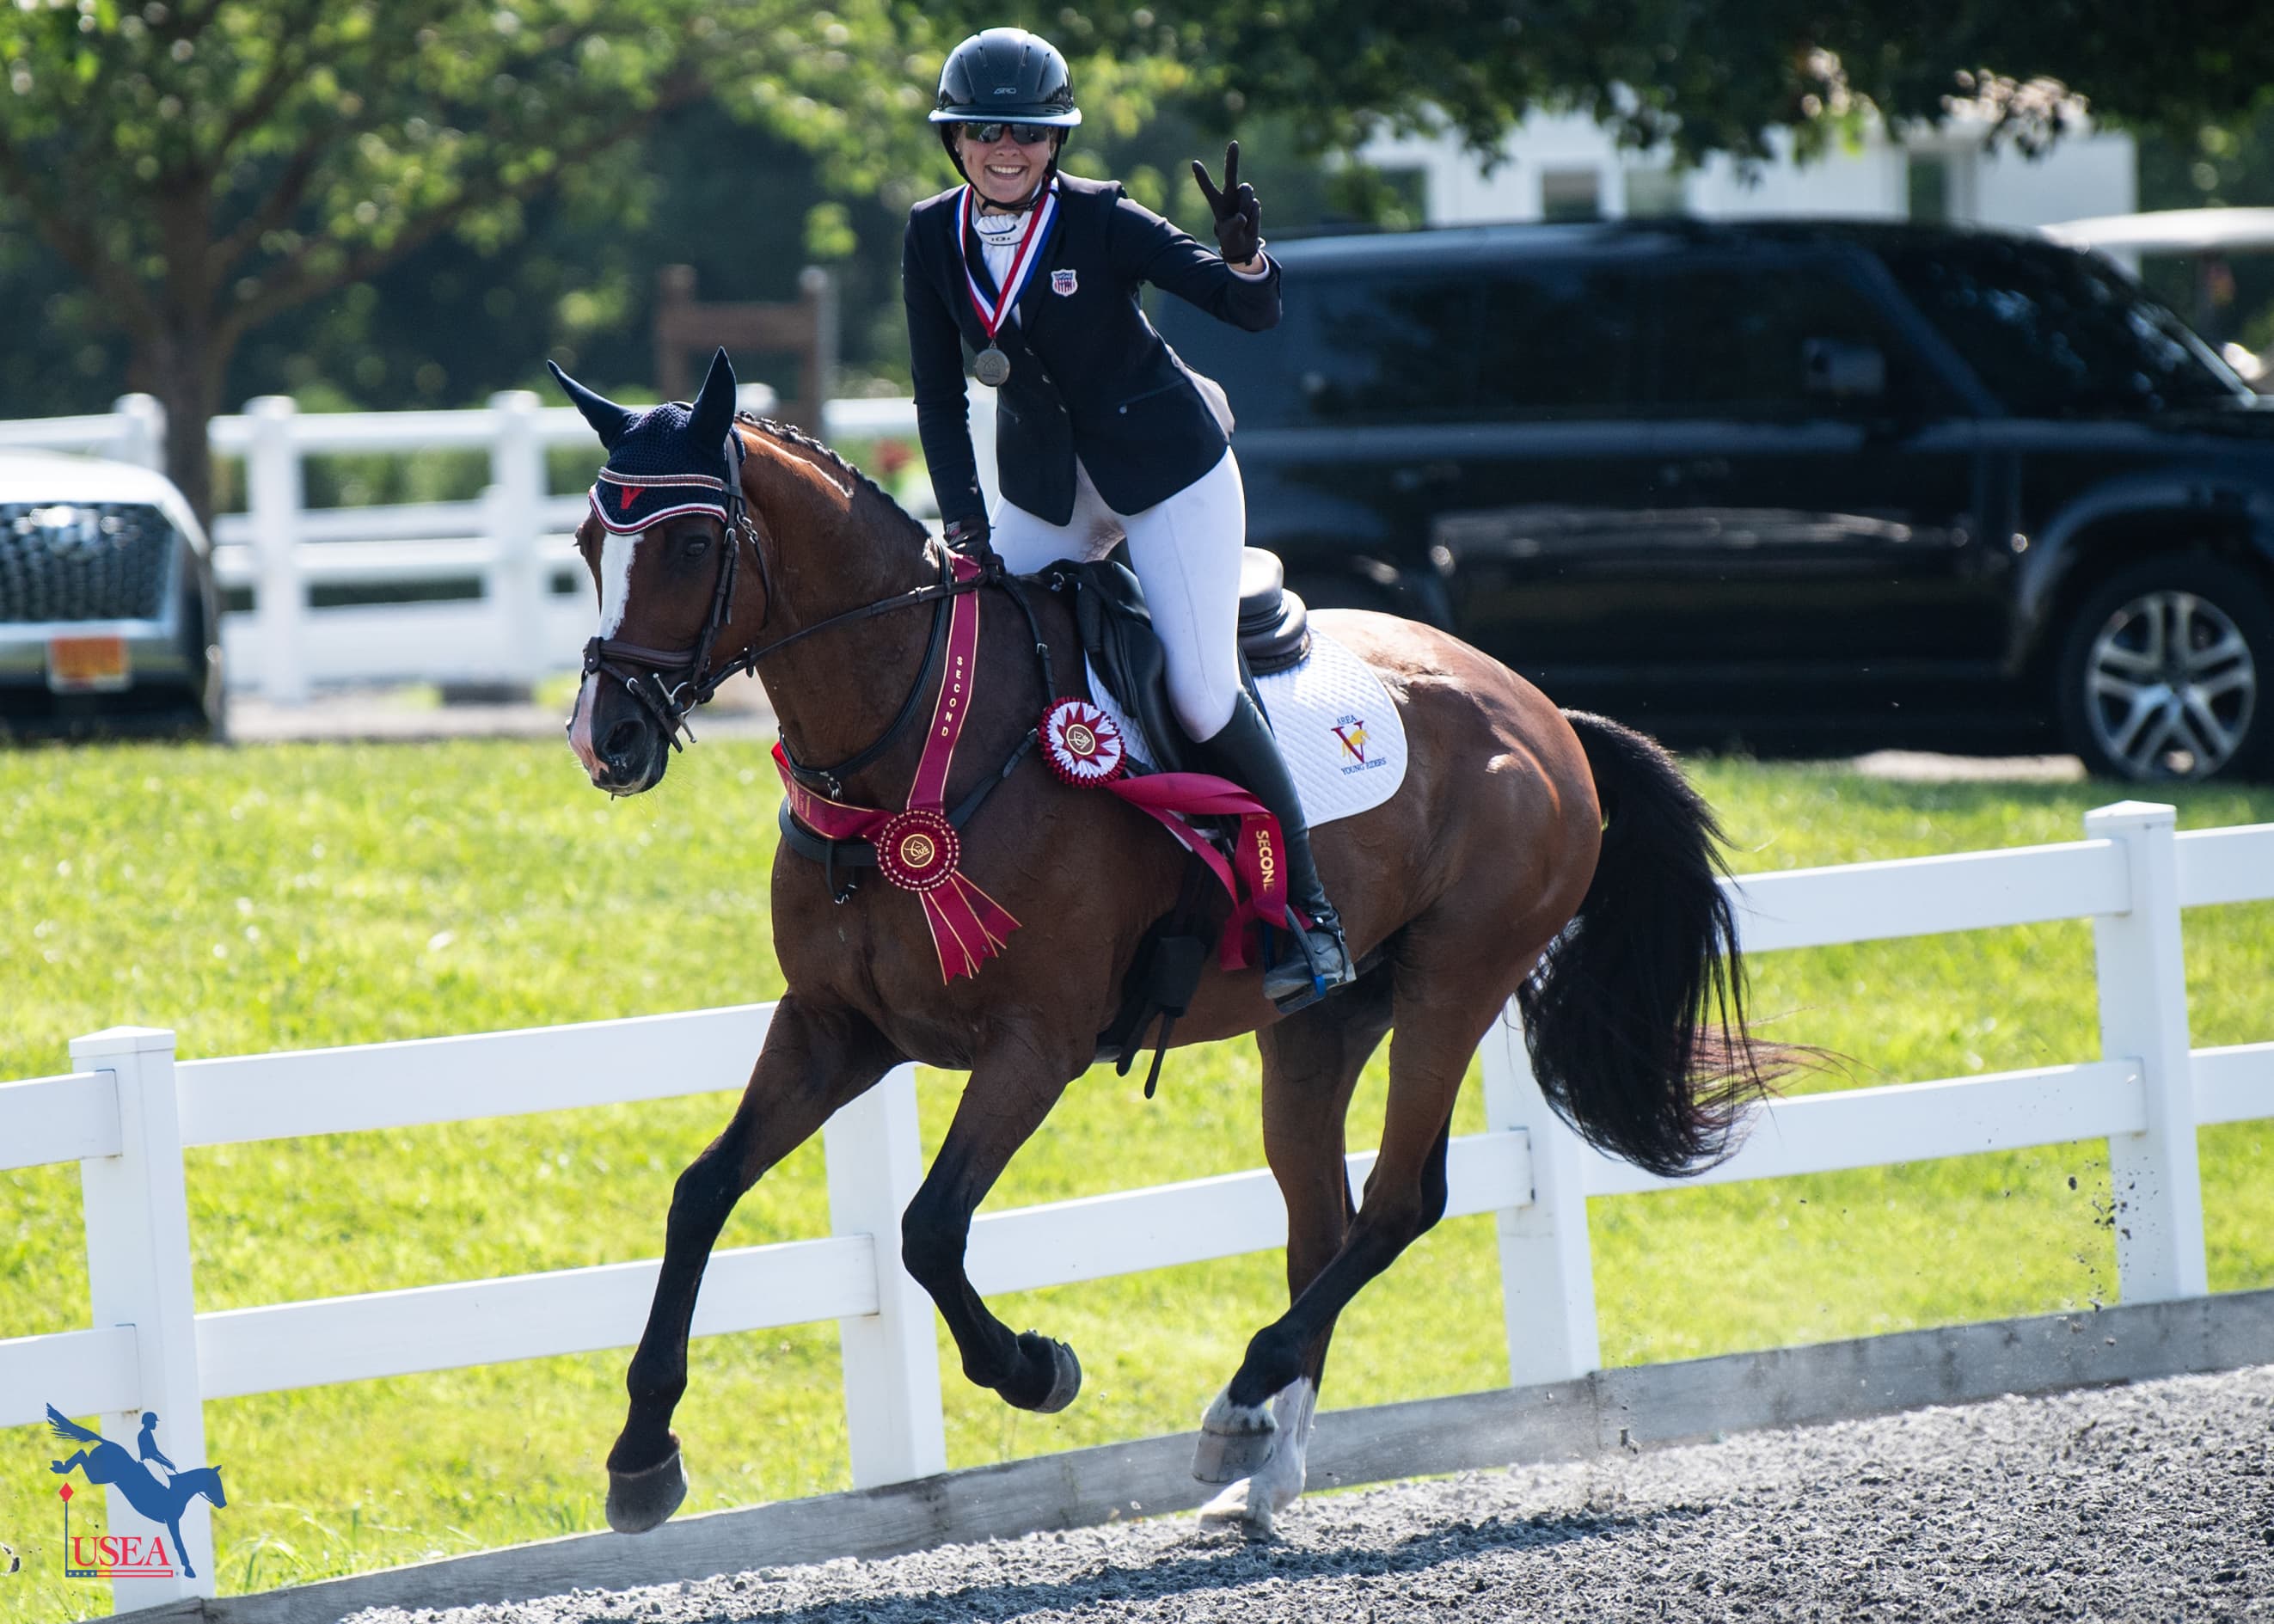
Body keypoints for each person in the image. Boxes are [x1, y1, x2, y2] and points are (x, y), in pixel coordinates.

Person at [901, 26, 1356, 1011]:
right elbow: (937, 399)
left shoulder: (1103, 219)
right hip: (1046, 488)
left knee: (1197, 693)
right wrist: (967, 525)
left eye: (1025, 132)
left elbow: (1245, 313)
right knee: (987, 656)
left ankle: (1306, 915)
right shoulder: (929, 233)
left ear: (1054, 140)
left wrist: (1244, 262)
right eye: (982, 131)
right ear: (956, 141)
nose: (1003, 149)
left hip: (1167, 474)